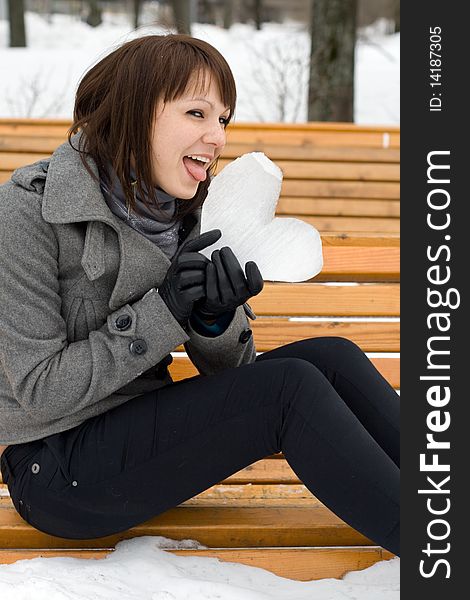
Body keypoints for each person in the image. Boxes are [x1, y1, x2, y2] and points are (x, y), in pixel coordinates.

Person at [0, 34, 399, 557]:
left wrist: (214, 318)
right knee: (290, 388)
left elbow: (235, 382)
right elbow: (37, 389)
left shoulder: (186, 216)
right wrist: (161, 313)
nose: (218, 138)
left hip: (142, 441)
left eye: (224, 120)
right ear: (133, 113)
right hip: (57, 469)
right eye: (197, 113)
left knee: (331, 357)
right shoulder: (28, 212)